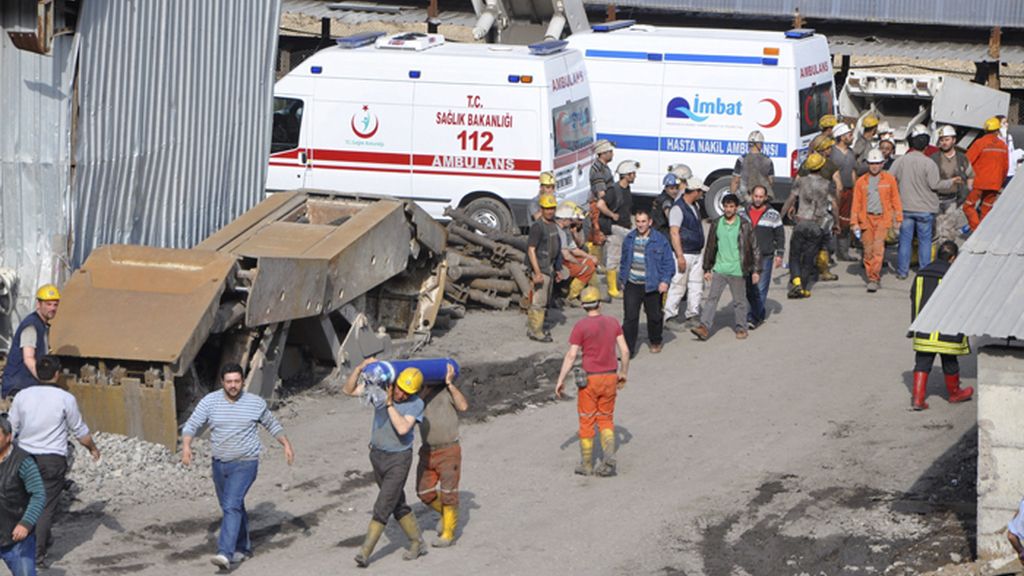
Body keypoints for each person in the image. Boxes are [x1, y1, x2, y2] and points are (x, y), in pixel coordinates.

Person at [181, 363, 293, 570]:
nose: (233, 385)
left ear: (242, 381)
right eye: (229, 381)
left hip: (245, 463)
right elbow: (192, 423)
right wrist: (187, 445)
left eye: (237, 381)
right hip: (219, 465)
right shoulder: (210, 401)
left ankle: (225, 553)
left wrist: (286, 445)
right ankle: (243, 547)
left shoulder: (255, 403)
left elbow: (272, 424)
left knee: (231, 505)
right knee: (233, 505)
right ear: (222, 382)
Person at [9, 356, 101, 567]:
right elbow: (80, 431)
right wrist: (93, 448)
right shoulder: (65, 399)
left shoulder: (22, 396)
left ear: (37, 373)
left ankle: (24, 544)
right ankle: (37, 555)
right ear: (57, 374)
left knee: (24, 503)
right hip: (52, 459)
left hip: (24, 457)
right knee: (45, 507)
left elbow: (11, 428)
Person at [343, 359, 427, 567]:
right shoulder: (379, 390)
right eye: (400, 390)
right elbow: (348, 390)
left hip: (399, 460)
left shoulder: (416, 404)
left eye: (407, 393)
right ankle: (417, 542)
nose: (402, 395)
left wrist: (390, 404)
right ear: (394, 383)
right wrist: (359, 368)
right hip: (377, 456)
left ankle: (364, 552)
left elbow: (402, 429)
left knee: (383, 506)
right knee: (396, 503)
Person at [555, 287, 629, 477]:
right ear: (600, 304)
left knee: (587, 420)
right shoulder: (612, 322)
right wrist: (623, 373)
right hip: (610, 377)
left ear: (582, 306)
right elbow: (625, 351)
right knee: (605, 419)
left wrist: (561, 379)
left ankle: (587, 464)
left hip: (590, 380)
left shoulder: (581, 327)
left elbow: (572, 355)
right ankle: (608, 456)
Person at [908, 241, 973, 410]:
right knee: (950, 361)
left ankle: (918, 399)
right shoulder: (956, 276)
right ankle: (954, 393)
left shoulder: (921, 274)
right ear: (952, 258)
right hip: (948, 330)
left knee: (922, 361)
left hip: (924, 329)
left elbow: (913, 297)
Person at [890, 124, 959, 279]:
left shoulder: (900, 161)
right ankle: (924, 270)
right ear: (926, 143)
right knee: (925, 241)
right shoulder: (929, 163)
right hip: (926, 210)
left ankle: (902, 272)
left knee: (905, 241)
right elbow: (936, 185)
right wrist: (951, 181)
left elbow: (889, 178)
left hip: (905, 208)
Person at [691, 194, 760, 341]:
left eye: (731, 206)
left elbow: (754, 248)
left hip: (737, 269)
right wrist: (707, 268)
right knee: (712, 299)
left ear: (736, 208)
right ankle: (704, 327)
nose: (728, 209)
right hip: (720, 269)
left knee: (739, 301)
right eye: (726, 206)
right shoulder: (717, 223)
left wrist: (755, 270)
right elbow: (711, 247)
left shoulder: (744, 224)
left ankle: (741, 327)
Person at [416, 363, 467, 548]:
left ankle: (448, 533)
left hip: (449, 450)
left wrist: (450, 385)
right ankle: (447, 514)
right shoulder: (417, 396)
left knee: (448, 493)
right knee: (424, 492)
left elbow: (463, 406)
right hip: (427, 450)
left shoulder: (446, 392)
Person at [618, 209, 673, 356]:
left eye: (643, 221)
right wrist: (622, 280)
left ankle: (655, 340)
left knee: (654, 316)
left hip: (652, 285)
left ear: (650, 222)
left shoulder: (660, 240)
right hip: (632, 284)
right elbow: (624, 261)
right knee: (630, 317)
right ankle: (628, 349)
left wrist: (664, 281)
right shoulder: (629, 239)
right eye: (638, 221)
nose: (640, 225)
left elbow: (668, 263)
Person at [782, 153, 836, 299]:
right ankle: (803, 288)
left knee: (794, 255)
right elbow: (835, 205)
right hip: (817, 225)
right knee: (808, 258)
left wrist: (780, 217)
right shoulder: (827, 184)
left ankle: (797, 282)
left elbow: (790, 199)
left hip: (801, 222)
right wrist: (836, 222)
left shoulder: (801, 182)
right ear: (821, 166)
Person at [0, 414, 46, 576]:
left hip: (16, 536)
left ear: (8, 437)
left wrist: (25, 524)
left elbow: (39, 494)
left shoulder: (23, 461)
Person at [851, 149, 903, 292]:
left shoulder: (889, 179)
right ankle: (870, 273)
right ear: (868, 164)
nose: (874, 166)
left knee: (878, 249)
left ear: (882, 164)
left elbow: (895, 199)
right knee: (868, 250)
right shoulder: (861, 182)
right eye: (872, 163)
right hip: (866, 219)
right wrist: (854, 222)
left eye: (877, 163)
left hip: (882, 219)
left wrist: (898, 218)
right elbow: (856, 203)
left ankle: (874, 278)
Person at [2, 285, 60, 399]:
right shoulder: (31, 326)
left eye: (55, 304)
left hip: (26, 386)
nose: (52, 308)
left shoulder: (42, 325)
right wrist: (46, 382)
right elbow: (28, 358)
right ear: (38, 304)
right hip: (18, 388)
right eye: (48, 304)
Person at [664, 177, 708, 328]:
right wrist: (680, 256)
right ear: (695, 191)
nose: (702, 194)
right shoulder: (678, 208)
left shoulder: (694, 206)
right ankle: (670, 316)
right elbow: (674, 232)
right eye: (701, 191)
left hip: (696, 252)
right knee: (678, 284)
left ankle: (693, 314)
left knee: (696, 285)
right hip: (685, 253)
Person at [743, 185, 785, 328]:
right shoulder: (742, 213)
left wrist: (780, 254)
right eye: (756, 196)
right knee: (748, 288)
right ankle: (758, 313)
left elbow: (780, 235)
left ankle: (753, 317)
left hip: (765, 256)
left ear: (765, 197)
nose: (758, 199)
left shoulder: (773, 214)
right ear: (752, 196)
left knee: (760, 288)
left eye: (761, 197)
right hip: (746, 256)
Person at [597, 160, 638, 298]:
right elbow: (600, 204)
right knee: (613, 258)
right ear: (626, 175)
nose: (634, 176)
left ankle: (618, 284)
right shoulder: (614, 190)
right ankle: (612, 289)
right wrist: (612, 215)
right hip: (615, 228)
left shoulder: (626, 189)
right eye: (633, 174)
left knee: (624, 257)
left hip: (624, 227)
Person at [526, 193, 561, 342]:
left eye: (552, 208)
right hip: (541, 268)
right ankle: (535, 331)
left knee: (545, 299)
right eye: (547, 208)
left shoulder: (553, 225)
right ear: (541, 208)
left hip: (549, 267)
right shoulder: (537, 227)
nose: (550, 211)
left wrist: (557, 269)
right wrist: (537, 272)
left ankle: (537, 325)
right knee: (539, 301)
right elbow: (531, 250)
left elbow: (557, 248)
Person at [964, 116, 1009, 231]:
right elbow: (1005, 167)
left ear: (985, 130)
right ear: (998, 130)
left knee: (968, 206)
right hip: (995, 184)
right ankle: (984, 233)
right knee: (986, 208)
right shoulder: (1003, 145)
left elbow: (967, 161)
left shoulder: (980, 143)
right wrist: (1000, 181)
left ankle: (976, 229)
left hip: (979, 182)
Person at [930, 125, 974, 244]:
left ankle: (946, 256)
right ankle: (935, 259)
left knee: (949, 232)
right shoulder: (934, 158)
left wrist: (967, 192)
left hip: (953, 200)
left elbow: (970, 175)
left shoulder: (961, 158)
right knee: (935, 231)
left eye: (947, 139)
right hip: (935, 200)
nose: (944, 142)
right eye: (942, 140)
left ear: (954, 140)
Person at [555, 203, 599, 306]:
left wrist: (590, 257)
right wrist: (579, 263)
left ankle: (589, 293)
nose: (572, 222)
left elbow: (574, 249)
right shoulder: (559, 231)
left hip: (564, 260)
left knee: (590, 263)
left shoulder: (565, 230)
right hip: (560, 262)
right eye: (570, 219)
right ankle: (571, 296)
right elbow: (566, 254)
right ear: (564, 219)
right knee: (588, 267)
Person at [830, 122, 858, 261]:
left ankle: (843, 252)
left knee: (846, 223)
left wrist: (855, 190)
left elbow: (853, 171)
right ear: (841, 137)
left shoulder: (851, 153)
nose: (851, 136)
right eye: (848, 134)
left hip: (848, 191)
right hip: (834, 192)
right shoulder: (832, 153)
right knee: (831, 221)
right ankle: (828, 252)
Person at [588, 139, 615, 262]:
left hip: (602, 205)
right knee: (597, 234)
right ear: (603, 153)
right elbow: (601, 193)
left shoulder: (604, 168)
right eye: (609, 151)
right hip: (598, 206)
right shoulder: (598, 170)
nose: (612, 153)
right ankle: (595, 262)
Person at [730, 130, 774, 203]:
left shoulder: (741, 159)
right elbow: (771, 181)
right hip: (761, 198)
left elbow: (735, 181)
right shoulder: (768, 160)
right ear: (760, 144)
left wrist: (732, 197)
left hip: (745, 198)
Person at [651, 173, 682, 237]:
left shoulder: (660, 197)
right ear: (666, 188)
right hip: (662, 232)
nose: (675, 191)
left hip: (656, 230)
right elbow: (670, 216)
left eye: (677, 188)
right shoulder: (666, 200)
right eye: (672, 188)